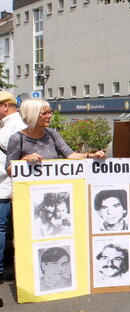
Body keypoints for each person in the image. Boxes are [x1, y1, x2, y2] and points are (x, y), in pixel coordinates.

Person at [4, 99, 106, 171]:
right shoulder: (17, 138)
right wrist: (24, 161)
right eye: (44, 113)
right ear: (32, 115)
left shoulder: (51, 133)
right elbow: (9, 169)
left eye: (50, 112)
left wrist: (91, 155)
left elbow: (70, 155)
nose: (49, 116)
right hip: (29, 193)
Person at [0, 91, 26, 283]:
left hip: (7, 187)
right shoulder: (14, 125)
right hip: (10, 186)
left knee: (3, 229)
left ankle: (1, 271)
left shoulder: (14, 126)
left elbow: (10, 161)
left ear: (4, 106)